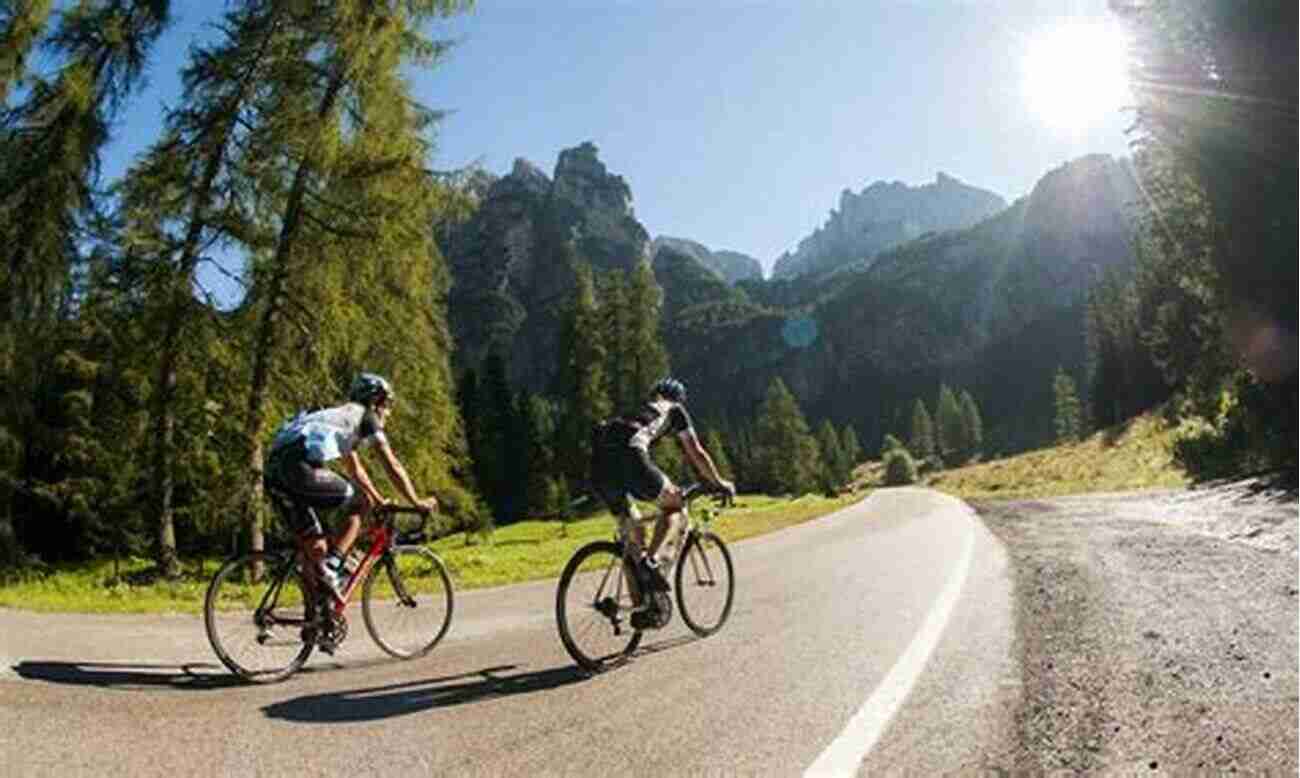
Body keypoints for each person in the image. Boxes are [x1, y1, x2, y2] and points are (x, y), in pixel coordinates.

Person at [263, 372, 438, 601]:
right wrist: (416, 502)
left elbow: (356, 471)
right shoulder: (365, 416)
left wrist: (378, 500)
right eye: (387, 405)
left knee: (314, 550)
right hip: (297, 467)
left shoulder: (339, 419)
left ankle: (313, 621)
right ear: (375, 402)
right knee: (358, 502)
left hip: (275, 470)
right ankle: (335, 567)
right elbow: (391, 464)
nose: (388, 412)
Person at [590, 377, 736, 599]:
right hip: (630, 455)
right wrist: (717, 482)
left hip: (599, 467)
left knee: (634, 535)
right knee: (675, 505)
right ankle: (652, 562)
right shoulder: (675, 409)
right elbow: (695, 450)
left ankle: (644, 607)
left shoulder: (636, 411)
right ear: (678, 399)